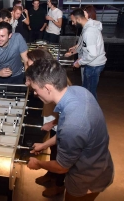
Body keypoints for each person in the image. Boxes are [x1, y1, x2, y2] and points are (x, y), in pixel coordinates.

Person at [26, 59, 114, 201]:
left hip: (87, 178)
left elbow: (62, 167)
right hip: (99, 162)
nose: (35, 93)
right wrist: (44, 145)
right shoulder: (78, 91)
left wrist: (38, 163)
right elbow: (64, 132)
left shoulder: (74, 125)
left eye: (36, 89)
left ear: (48, 88)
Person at [26, 49, 72, 198]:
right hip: (55, 123)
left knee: (60, 155)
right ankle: (51, 175)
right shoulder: (46, 81)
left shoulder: (60, 88)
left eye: (30, 64)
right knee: (53, 151)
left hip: (59, 125)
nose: (28, 67)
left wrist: (52, 123)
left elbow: (65, 114)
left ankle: (59, 185)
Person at [65, 8, 106, 100]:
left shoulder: (89, 32)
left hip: (94, 66)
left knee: (89, 92)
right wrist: (74, 52)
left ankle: (91, 111)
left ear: (79, 19)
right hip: (92, 64)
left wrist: (79, 62)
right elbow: (84, 46)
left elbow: (92, 54)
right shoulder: (87, 27)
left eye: (73, 21)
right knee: (86, 90)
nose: (72, 23)